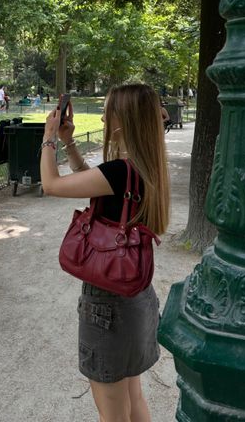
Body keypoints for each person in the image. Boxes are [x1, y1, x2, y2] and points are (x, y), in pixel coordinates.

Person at [40, 84, 170, 422]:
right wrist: (70, 143)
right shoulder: (142, 167)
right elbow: (95, 185)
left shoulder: (119, 172)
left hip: (107, 306)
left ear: (121, 121)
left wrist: (49, 137)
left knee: (111, 415)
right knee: (133, 396)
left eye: (107, 110)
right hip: (138, 297)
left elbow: (51, 185)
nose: (101, 116)